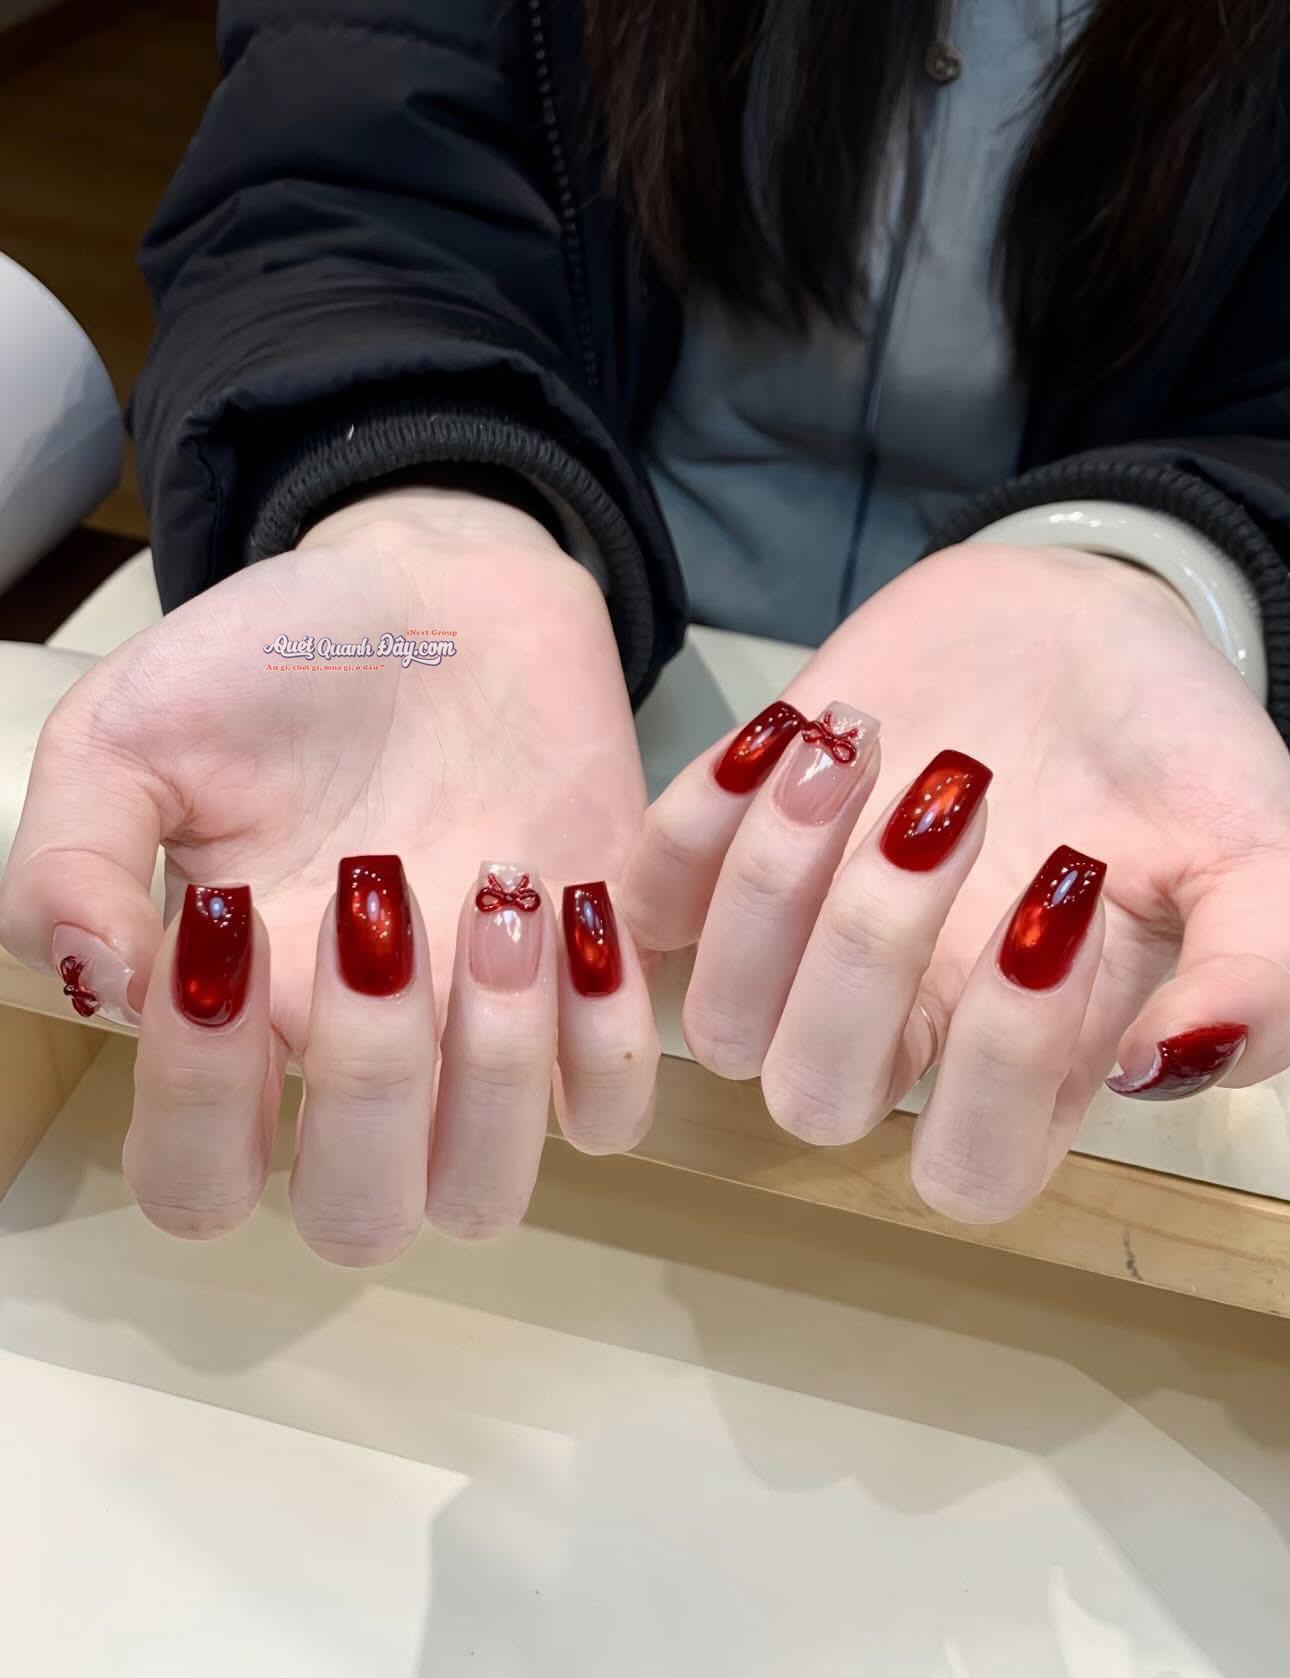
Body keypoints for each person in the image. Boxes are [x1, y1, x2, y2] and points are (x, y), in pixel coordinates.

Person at [3, 0, 1290, 1262]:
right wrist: (422, 505)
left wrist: (1157, 569)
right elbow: (336, 176)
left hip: (1114, 721)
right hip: (584, 619)